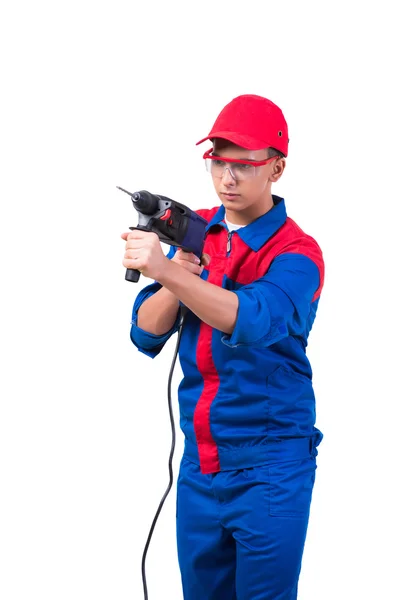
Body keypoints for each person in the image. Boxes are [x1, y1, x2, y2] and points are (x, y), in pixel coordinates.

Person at [121, 94, 325, 600]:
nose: (227, 178)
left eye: (244, 165)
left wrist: (165, 268)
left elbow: (253, 320)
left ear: (276, 168)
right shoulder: (198, 230)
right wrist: (172, 278)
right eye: (218, 161)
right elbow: (145, 333)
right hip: (200, 463)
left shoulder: (299, 254)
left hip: (271, 464)